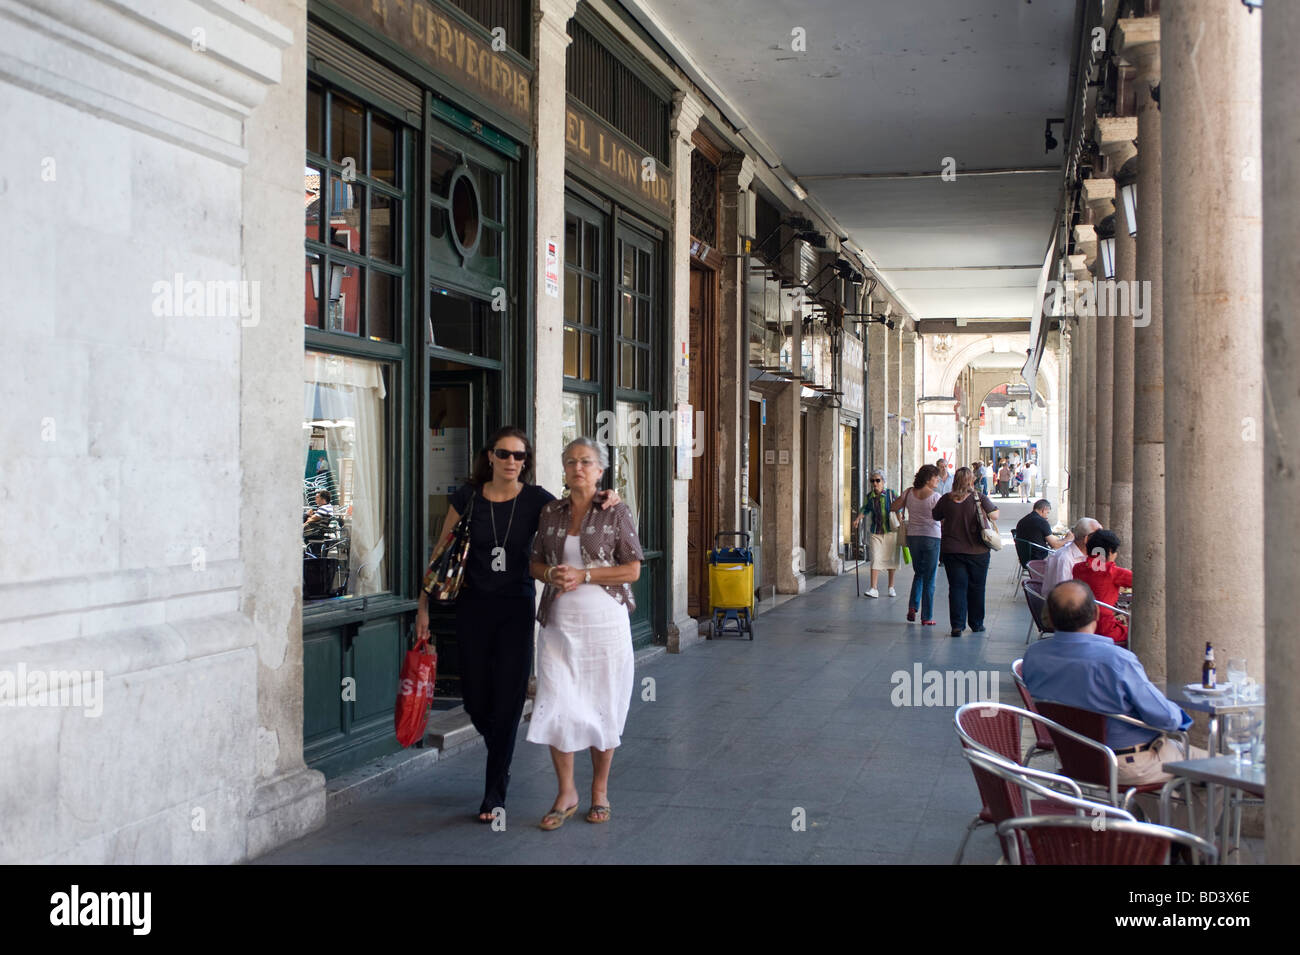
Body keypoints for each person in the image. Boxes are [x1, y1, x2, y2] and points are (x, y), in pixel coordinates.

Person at [414, 427, 619, 824]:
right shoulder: (468, 498)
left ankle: (494, 794)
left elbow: (576, 506)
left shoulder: (538, 500)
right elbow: (440, 553)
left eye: (520, 456)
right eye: (504, 454)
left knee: (507, 701)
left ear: (526, 461)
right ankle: (500, 747)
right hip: (472, 606)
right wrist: (423, 607)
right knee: (474, 698)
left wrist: (606, 495)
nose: (512, 462)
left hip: (516, 608)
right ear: (489, 456)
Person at [528, 437, 643, 830]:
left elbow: (632, 569)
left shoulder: (616, 511)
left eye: (586, 462)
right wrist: (550, 574)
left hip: (605, 625)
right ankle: (566, 792)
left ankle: (599, 790)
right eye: (571, 461)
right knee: (557, 700)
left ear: (600, 471)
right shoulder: (550, 511)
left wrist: (585, 574)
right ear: (564, 468)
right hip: (560, 624)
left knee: (602, 703)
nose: (578, 467)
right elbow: (535, 561)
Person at [1022, 581, 1203, 793]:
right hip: (1128, 764)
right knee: (1222, 769)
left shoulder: (1034, 657)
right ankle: (1181, 826)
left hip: (1075, 761)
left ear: (1049, 617)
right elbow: (1167, 719)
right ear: (1097, 613)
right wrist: (1180, 716)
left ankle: (1139, 823)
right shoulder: (1116, 661)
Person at [932, 466, 999, 637]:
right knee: (977, 587)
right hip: (978, 551)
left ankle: (957, 625)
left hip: (952, 551)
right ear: (971, 481)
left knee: (956, 587)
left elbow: (935, 515)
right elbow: (995, 515)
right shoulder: (979, 497)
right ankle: (976, 624)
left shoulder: (946, 499)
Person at [892, 464, 942, 624]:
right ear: (928, 479)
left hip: (913, 537)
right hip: (931, 537)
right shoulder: (935, 497)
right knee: (930, 577)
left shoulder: (908, 492)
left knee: (919, 572)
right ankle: (927, 617)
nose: (938, 480)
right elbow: (941, 518)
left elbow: (893, 507)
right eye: (936, 477)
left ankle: (913, 607)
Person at [1071, 528, 1133, 644]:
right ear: (1109, 551)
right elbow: (1140, 582)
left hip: (1080, 625)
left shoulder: (1077, 568)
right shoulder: (1112, 571)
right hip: (1105, 629)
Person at [853, 469, 899, 598]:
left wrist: (902, 527)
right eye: (872, 481)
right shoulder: (870, 497)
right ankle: (874, 588)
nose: (875, 483)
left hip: (891, 531)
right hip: (876, 531)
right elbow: (865, 509)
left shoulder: (891, 494)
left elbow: (899, 509)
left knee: (891, 560)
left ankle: (891, 587)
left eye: (878, 480)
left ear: (883, 481)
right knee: (875, 559)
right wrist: (857, 519)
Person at [1040, 516, 1101, 595]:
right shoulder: (1065, 558)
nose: (1102, 539)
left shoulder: (1090, 555)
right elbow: (1063, 595)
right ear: (1086, 539)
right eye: (1099, 536)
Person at [1013, 499, 1070, 568]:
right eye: (1047, 513)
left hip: (1024, 558)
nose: (1047, 516)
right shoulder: (1042, 522)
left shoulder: (1022, 520)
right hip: (1038, 558)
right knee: (1065, 559)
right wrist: (1068, 538)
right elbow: (1055, 545)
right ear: (1043, 510)